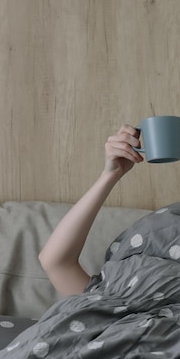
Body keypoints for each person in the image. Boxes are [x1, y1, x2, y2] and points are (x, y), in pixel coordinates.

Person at [38, 124, 144, 296]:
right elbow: (55, 262)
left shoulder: (106, 316)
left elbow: (55, 263)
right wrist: (110, 174)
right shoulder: (112, 309)